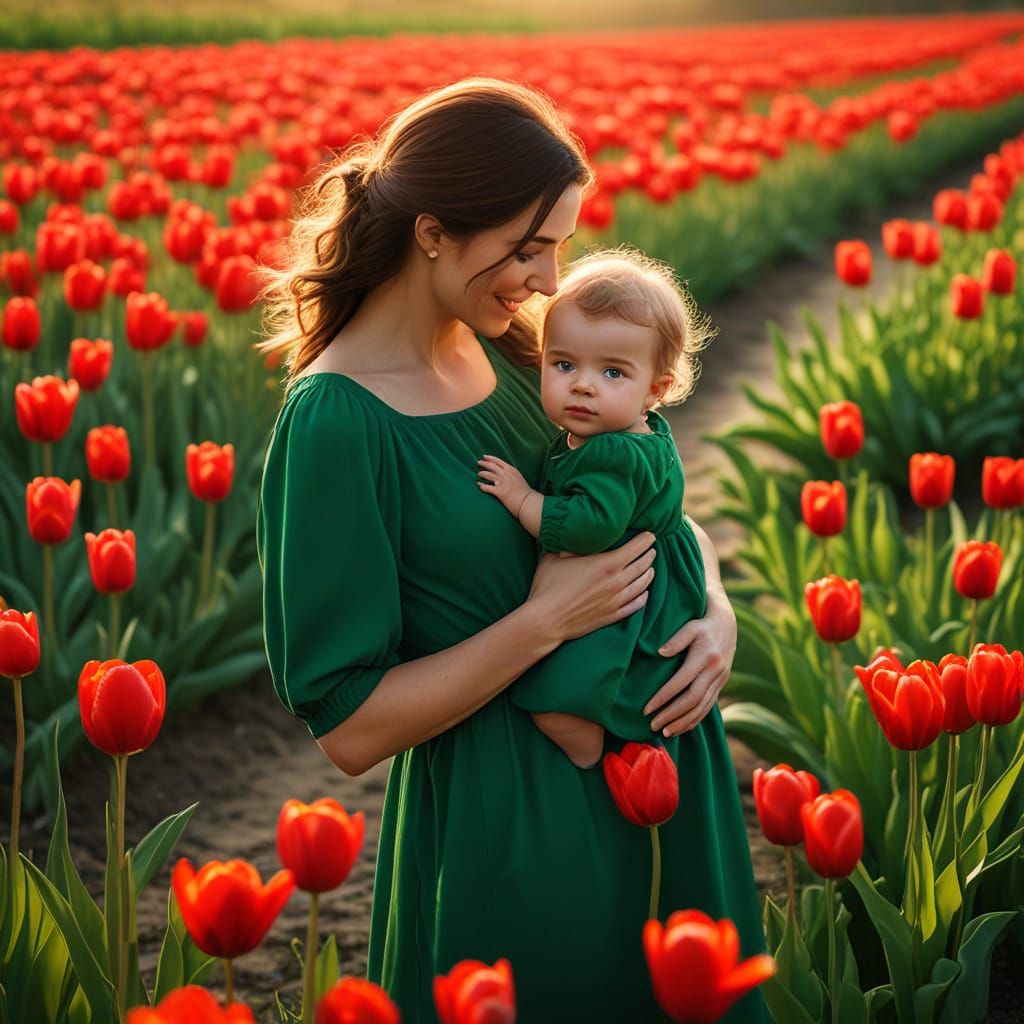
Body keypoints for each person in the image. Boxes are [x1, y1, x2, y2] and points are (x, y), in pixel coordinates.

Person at [256, 77, 768, 1023]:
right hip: (508, 813)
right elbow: (350, 728)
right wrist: (541, 625)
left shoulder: (518, 352)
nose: (550, 277)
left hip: (652, 772)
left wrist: (715, 614)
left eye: (560, 245)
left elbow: (641, 502)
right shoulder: (337, 421)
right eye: (530, 247)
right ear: (433, 232)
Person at [476, 247, 715, 771]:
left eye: (612, 373)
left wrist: (523, 500)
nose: (582, 384)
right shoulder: (624, 434)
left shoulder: (614, 454)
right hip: (630, 580)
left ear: (657, 389)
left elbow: (588, 527)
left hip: (631, 598)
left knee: (559, 699)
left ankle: (591, 757)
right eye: (564, 364)